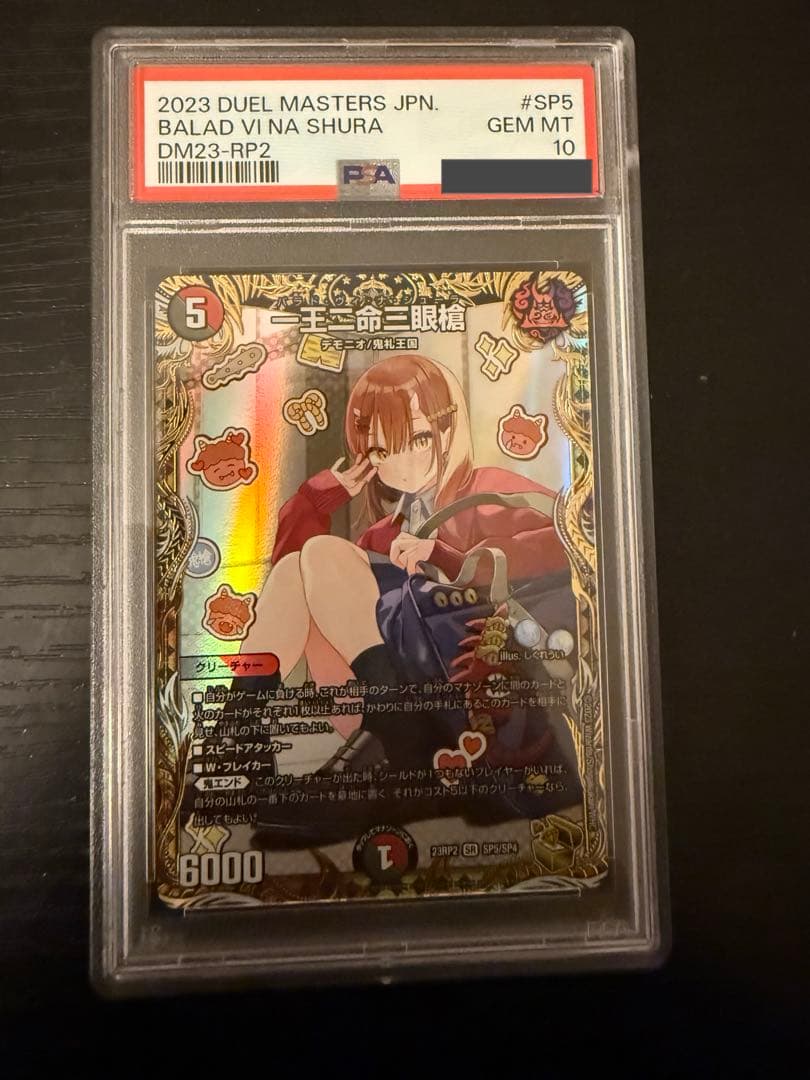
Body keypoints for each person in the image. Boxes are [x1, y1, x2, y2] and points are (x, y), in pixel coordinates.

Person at [241, 353, 571, 777]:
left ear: (447, 431)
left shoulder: (488, 491)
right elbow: (294, 576)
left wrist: (447, 556)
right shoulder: (385, 533)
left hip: (472, 687)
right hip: (389, 694)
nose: (401, 460)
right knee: (298, 569)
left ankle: (395, 722)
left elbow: (568, 540)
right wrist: (317, 498)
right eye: (381, 449)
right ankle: (240, 728)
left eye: (417, 439)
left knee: (324, 556)